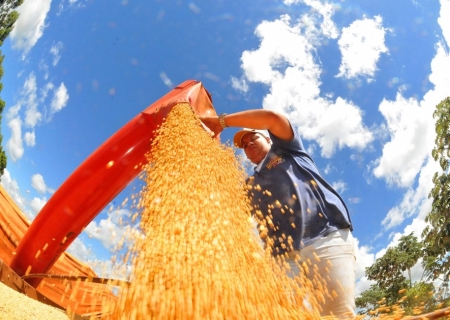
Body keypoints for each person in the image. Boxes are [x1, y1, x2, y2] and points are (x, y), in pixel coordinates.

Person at [200, 109, 356, 319]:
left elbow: (273, 119)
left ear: (267, 138)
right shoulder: (250, 185)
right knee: (284, 315)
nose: (248, 145)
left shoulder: (288, 151)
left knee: (338, 315)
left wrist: (221, 122)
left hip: (324, 237)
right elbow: (226, 212)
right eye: (244, 146)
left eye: (252, 138)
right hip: (281, 257)